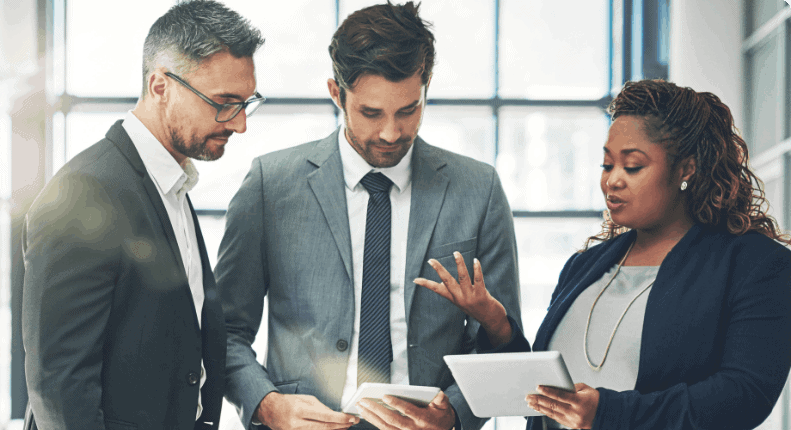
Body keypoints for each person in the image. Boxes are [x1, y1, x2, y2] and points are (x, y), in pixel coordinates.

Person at [217, 3, 528, 429]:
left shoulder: (478, 190)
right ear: (336, 92)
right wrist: (266, 404)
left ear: (426, 87)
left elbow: (502, 339)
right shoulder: (271, 185)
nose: (390, 133)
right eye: (370, 113)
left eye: (408, 110)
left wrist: (454, 412)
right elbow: (225, 331)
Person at [418, 79, 791, 430]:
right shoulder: (585, 266)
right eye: (607, 164)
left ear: (686, 169)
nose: (612, 180)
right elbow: (547, 392)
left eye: (632, 166)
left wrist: (608, 413)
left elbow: (745, 396)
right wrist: (497, 324)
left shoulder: (756, 265)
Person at [20, 2, 265, 429]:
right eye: (224, 103)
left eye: (246, 103)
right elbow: (59, 385)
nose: (239, 124)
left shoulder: (170, 185)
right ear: (160, 86)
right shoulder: (84, 193)